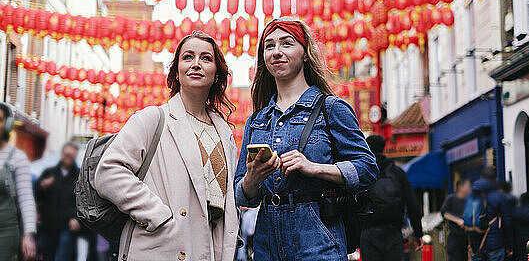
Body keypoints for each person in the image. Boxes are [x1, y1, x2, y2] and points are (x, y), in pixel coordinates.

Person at [234, 18, 378, 261]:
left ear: (306, 54)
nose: (276, 51)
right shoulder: (257, 120)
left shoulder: (330, 108)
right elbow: (241, 194)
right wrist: (252, 178)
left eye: (287, 43)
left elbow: (367, 168)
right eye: (269, 46)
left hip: (318, 240)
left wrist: (315, 168)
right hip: (266, 244)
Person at [95, 31, 240, 261]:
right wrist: (157, 214)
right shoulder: (153, 118)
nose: (196, 64)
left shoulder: (225, 134)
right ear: (177, 71)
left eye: (205, 58)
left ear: (216, 73)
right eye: (188, 57)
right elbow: (108, 172)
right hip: (161, 248)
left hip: (207, 250)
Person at [360, 134, 423, 261]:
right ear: (384, 148)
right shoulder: (397, 173)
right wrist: (418, 233)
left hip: (369, 233)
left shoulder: (364, 171)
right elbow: (412, 204)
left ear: (367, 148)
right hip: (393, 233)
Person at [0, 102, 36, 261]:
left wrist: (28, 235)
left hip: (5, 231)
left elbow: (26, 198)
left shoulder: (17, 157)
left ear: (7, 124)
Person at [35, 142, 81, 261]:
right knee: (47, 256)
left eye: (72, 156)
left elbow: (83, 202)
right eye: (67, 155)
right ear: (61, 154)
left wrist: (76, 218)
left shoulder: (79, 176)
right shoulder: (49, 172)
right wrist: (42, 187)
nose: (69, 159)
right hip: (48, 226)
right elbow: (37, 196)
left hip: (67, 227)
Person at [468, 167, 513, 261]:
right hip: (495, 243)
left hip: (476, 245)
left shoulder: (470, 196)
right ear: (495, 179)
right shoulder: (499, 197)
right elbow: (507, 222)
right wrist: (510, 245)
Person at [441, 178, 472, 261]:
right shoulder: (451, 198)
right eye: (468, 186)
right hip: (454, 237)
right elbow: (444, 213)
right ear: (461, 187)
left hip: (466, 237)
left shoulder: (469, 200)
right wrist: (458, 220)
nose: (470, 188)